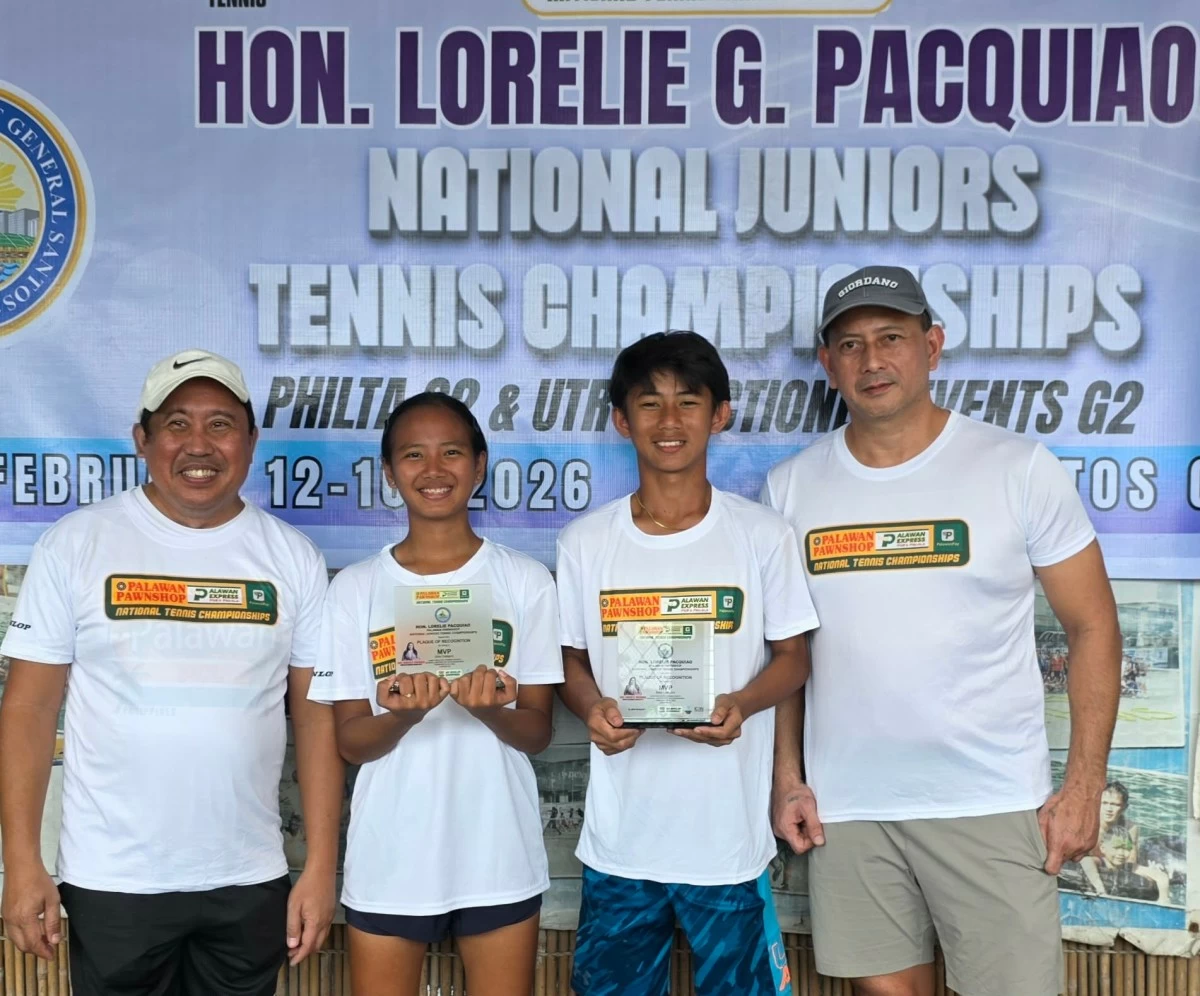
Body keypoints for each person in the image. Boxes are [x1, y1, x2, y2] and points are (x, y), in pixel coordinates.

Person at [765, 267, 1122, 996]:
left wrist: (1084, 786)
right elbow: (787, 654)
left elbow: (1093, 627)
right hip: (852, 808)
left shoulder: (1016, 468)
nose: (873, 361)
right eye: (852, 344)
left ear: (933, 345)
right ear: (829, 365)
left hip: (988, 799)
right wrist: (787, 779)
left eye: (891, 338)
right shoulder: (792, 487)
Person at [0, 349, 343, 995]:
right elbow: (27, 709)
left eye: (220, 424)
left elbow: (317, 718)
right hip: (114, 880)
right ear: (142, 439)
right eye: (177, 424)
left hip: (247, 878)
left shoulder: (292, 559)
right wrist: (22, 864)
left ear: (249, 442)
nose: (199, 445)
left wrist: (321, 867)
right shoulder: (75, 545)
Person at [556, 331, 818, 996]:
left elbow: (793, 658)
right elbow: (570, 658)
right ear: (621, 419)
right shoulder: (586, 543)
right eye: (649, 404)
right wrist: (591, 707)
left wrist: (743, 703)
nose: (668, 422)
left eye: (688, 403)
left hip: (727, 843)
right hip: (620, 845)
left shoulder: (762, 536)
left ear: (720, 414)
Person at [309, 392, 561, 996]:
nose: (433, 469)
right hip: (390, 856)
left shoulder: (524, 581)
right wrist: (403, 715)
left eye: (451, 452)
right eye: (413, 455)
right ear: (390, 473)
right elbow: (350, 742)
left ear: (479, 465)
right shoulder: (356, 590)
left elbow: (538, 732)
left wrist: (491, 712)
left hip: (497, 852)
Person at [1079, 781, 1140, 895]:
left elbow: (1131, 862)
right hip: (1090, 867)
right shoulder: (1087, 825)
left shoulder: (1130, 827)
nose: (1109, 809)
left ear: (1124, 807)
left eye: (1115, 804)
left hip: (1114, 868)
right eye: (1105, 803)